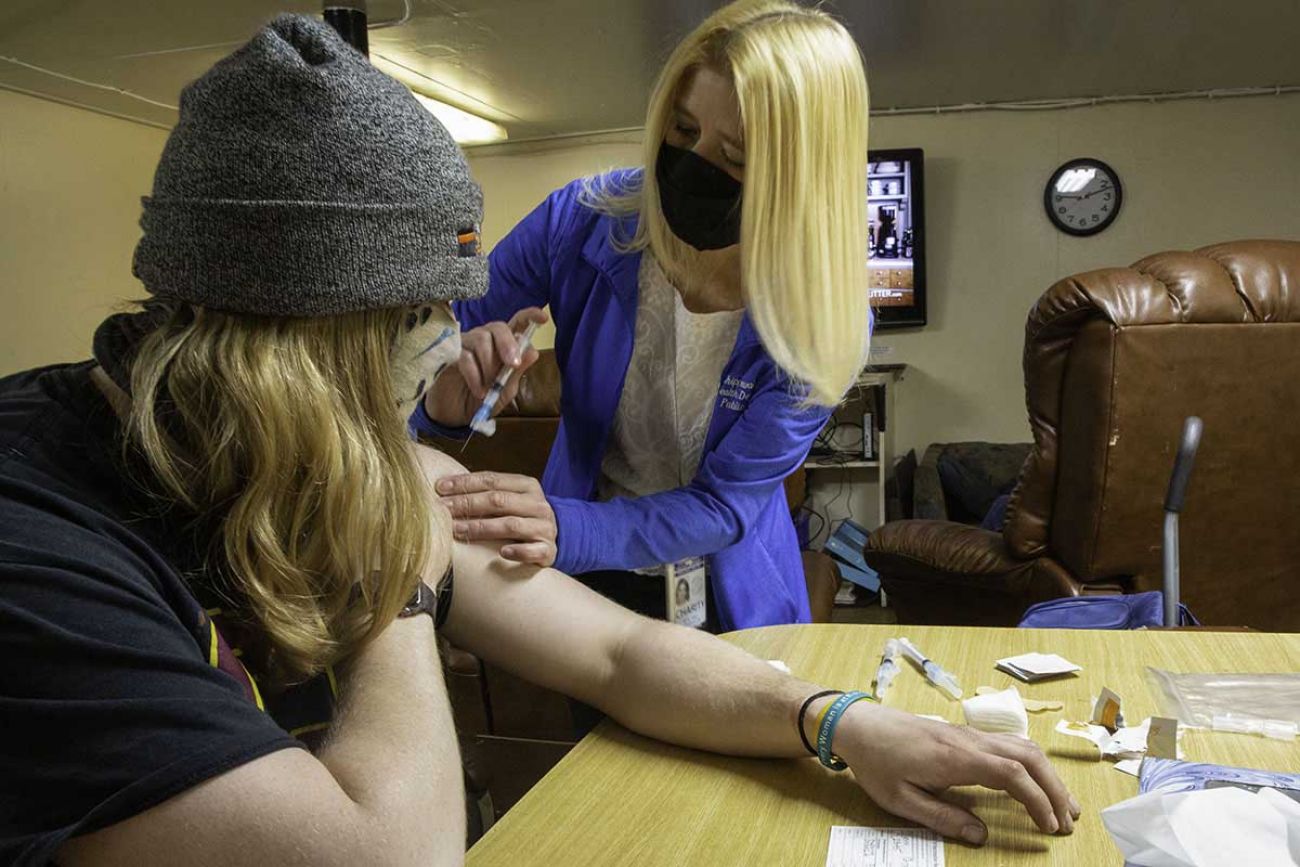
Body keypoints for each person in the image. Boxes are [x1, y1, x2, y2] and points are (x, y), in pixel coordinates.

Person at [0, 16, 1079, 865]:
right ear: (309, 342)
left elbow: (620, 650)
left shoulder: (290, 453)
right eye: (421, 320)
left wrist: (839, 719)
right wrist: (403, 580)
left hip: (698, 561)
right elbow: (392, 855)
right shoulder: (40, 549)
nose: (438, 349)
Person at [416, 0, 873, 632]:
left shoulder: (820, 323)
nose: (692, 165)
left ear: (798, 177)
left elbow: (723, 505)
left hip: (729, 594)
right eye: (683, 132)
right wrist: (442, 398)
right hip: (586, 583)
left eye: (735, 156)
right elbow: (416, 359)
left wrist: (566, 525)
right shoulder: (576, 222)